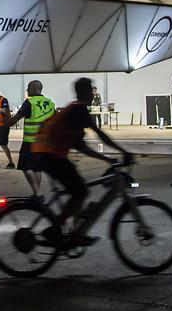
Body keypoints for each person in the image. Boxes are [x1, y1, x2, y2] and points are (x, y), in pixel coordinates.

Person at [32, 77, 133, 245]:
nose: (93, 93)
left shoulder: (74, 111)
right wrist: (123, 152)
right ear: (85, 92)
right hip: (48, 155)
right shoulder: (78, 110)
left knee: (80, 188)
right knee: (80, 192)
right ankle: (55, 229)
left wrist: (107, 159)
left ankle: (75, 231)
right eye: (91, 90)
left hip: (49, 154)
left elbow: (81, 147)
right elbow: (99, 133)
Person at [5, 80, 56, 197]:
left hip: (31, 142)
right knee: (37, 168)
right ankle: (36, 193)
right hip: (45, 143)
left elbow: (16, 118)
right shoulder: (50, 103)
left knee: (26, 166)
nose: (27, 90)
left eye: (28, 88)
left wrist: (2, 127)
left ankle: (37, 192)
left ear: (34, 89)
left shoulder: (30, 102)